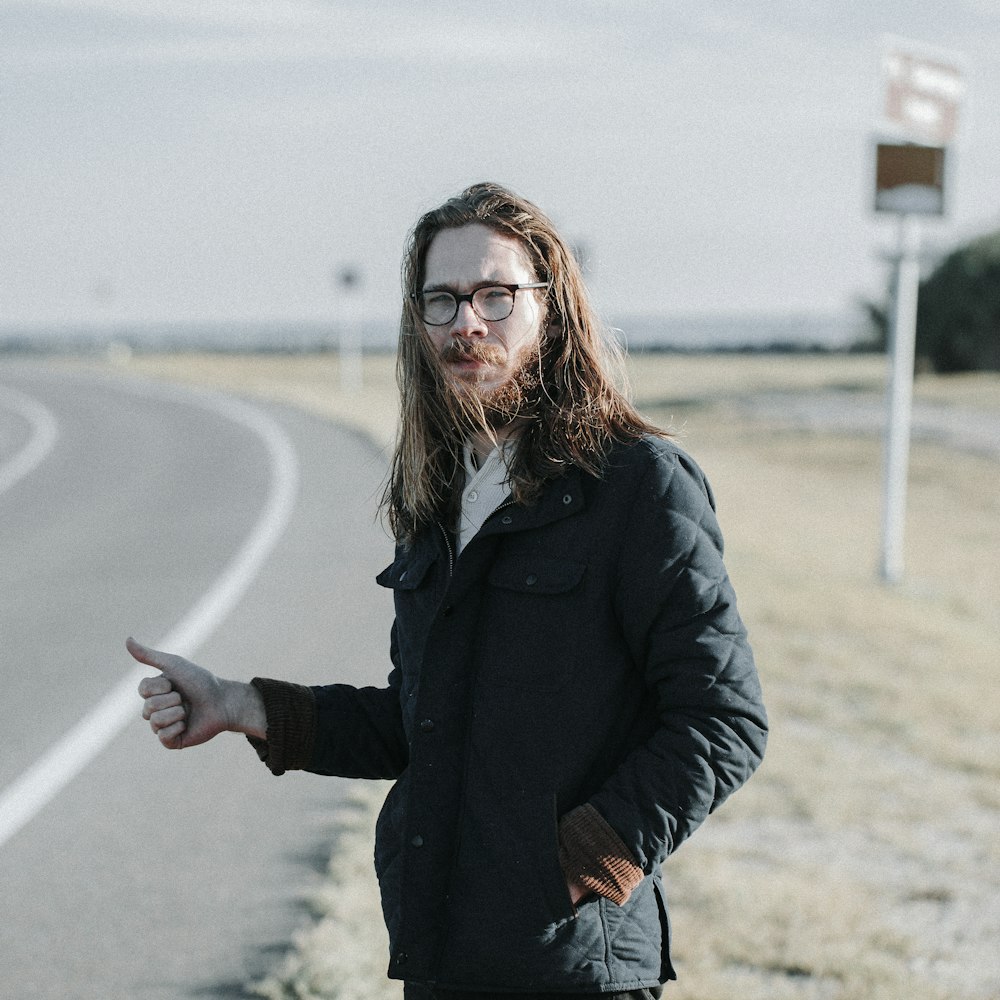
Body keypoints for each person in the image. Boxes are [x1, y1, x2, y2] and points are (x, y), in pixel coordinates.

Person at [130, 181, 767, 999]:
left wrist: (590, 857)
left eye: (495, 296)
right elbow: (420, 723)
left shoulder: (638, 486)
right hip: (439, 950)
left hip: (571, 966)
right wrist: (237, 703)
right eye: (442, 299)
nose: (467, 322)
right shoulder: (438, 497)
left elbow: (725, 719)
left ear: (551, 309)